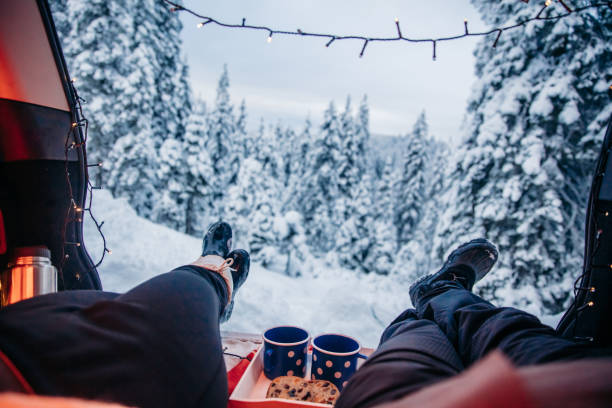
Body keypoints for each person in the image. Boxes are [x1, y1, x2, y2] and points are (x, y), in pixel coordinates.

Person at [335, 238, 612, 408]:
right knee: (511, 334)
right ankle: (437, 294)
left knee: (419, 333)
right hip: (566, 379)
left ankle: (434, 300)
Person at [0, 221, 249, 408]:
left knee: (111, 305)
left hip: (12, 345)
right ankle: (216, 275)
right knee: (181, 301)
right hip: (31, 378)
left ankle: (213, 284)